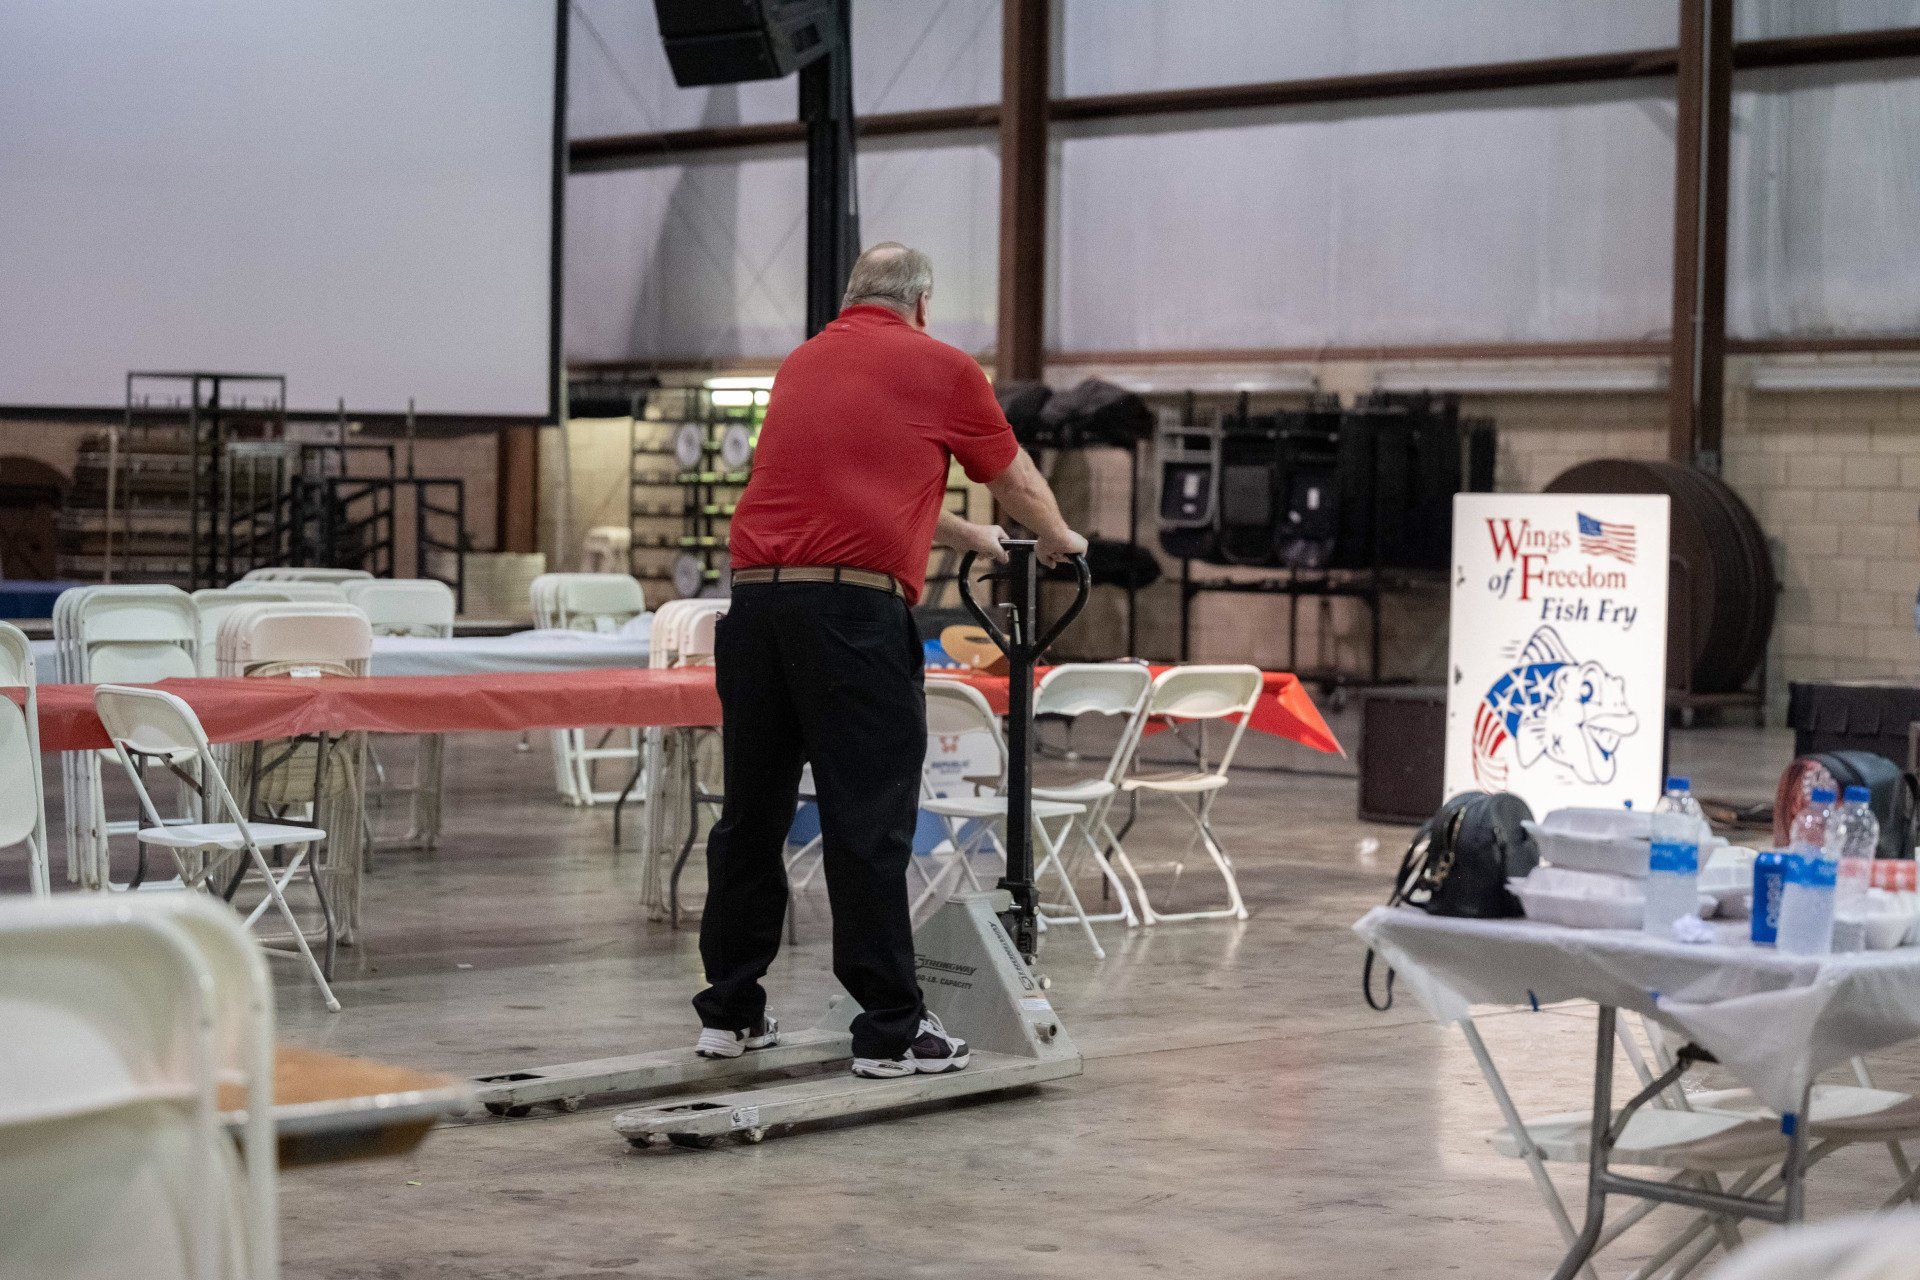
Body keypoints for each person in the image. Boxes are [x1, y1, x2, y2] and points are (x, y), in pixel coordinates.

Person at [691, 242, 1087, 1079]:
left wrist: (968, 535)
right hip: (851, 620)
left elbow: (850, 485)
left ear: (850, 298)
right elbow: (1012, 475)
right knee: (868, 821)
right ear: (923, 303)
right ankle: (891, 1029)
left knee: (751, 816)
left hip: (758, 608)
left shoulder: (804, 363)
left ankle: (730, 1011)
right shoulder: (941, 366)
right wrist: (1055, 537)